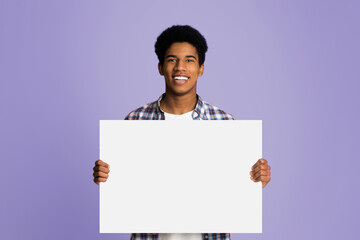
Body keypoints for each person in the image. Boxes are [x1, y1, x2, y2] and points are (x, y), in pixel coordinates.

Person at [93, 25, 271, 240]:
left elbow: (237, 191)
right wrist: (107, 177)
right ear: (160, 67)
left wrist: (256, 179)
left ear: (201, 68)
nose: (180, 68)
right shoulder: (135, 121)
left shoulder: (224, 123)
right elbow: (123, 191)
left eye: (189, 60)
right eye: (172, 60)